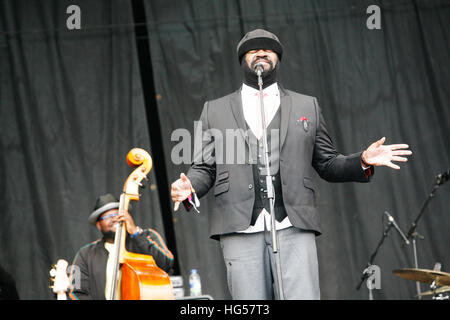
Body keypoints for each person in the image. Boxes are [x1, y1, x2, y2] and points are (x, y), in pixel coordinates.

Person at [170, 29, 412, 300]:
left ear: (278, 58)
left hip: (293, 223)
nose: (261, 53)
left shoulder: (307, 106)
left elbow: (328, 163)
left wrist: (362, 160)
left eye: (268, 49)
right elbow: (205, 167)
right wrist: (189, 186)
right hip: (238, 226)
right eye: (253, 50)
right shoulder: (214, 110)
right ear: (242, 60)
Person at [69, 193, 174, 300]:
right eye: (108, 217)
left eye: (118, 214)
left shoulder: (146, 236)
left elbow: (166, 263)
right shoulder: (85, 254)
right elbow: (76, 292)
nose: (115, 219)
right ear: (98, 225)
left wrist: (135, 232)